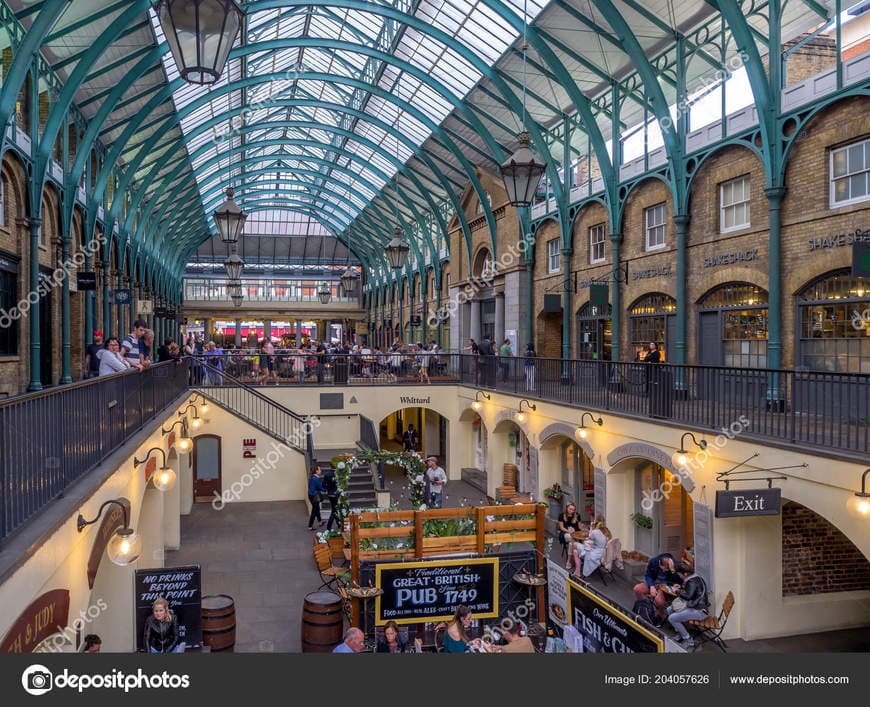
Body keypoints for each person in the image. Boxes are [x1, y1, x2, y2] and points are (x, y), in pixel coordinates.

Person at [667, 563, 709, 649]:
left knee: (672, 618)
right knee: (669, 609)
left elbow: (688, 596)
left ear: (685, 574)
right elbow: (692, 592)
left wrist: (677, 591)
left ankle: (688, 640)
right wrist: (681, 587)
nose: (679, 576)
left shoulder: (691, 582)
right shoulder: (695, 577)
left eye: (679, 574)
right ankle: (680, 633)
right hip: (695, 606)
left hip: (700, 611)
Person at [634, 552, 680, 617]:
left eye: (667, 569)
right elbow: (648, 575)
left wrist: (672, 570)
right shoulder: (653, 561)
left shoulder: (675, 564)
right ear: (659, 564)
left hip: (665, 586)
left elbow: (679, 581)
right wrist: (651, 586)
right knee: (637, 589)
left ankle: (660, 614)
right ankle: (646, 608)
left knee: (659, 601)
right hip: (654, 583)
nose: (664, 571)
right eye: (663, 568)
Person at [558, 503, 582, 570]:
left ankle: (569, 561)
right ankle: (577, 558)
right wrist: (570, 532)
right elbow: (561, 527)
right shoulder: (561, 515)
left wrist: (584, 529)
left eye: (573, 510)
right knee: (572, 538)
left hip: (575, 534)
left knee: (572, 543)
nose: (572, 511)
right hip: (565, 533)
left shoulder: (577, 515)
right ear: (566, 508)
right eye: (570, 509)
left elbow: (580, 527)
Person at [323, 466, 341, 531]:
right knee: (334, 511)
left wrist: (328, 489)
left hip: (330, 494)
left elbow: (323, 485)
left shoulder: (327, 474)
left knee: (335, 508)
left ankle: (339, 523)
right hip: (336, 494)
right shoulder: (339, 474)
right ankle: (328, 527)